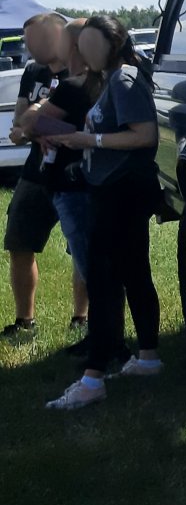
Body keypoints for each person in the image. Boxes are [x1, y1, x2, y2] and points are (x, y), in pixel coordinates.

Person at [44, 16, 162, 410]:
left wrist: (86, 139)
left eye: (92, 45)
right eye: (83, 45)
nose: (84, 52)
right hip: (120, 190)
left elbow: (144, 135)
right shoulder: (113, 77)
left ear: (113, 44)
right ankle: (148, 358)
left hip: (119, 194)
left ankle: (92, 380)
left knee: (104, 281)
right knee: (133, 274)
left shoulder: (123, 80)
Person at [2, 12, 86, 344]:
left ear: (56, 36)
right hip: (35, 173)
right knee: (19, 242)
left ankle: (82, 319)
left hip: (76, 174)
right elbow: (19, 123)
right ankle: (25, 322)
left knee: (80, 249)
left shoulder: (81, 74)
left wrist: (36, 126)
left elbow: (81, 126)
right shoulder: (33, 71)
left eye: (31, 38)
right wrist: (31, 127)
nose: (26, 46)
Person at [23, 18, 98, 357]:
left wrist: (37, 119)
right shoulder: (105, 83)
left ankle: (103, 340)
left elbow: (30, 121)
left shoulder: (73, 86)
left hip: (72, 185)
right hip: (92, 181)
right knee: (98, 263)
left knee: (89, 262)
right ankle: (104, 336)